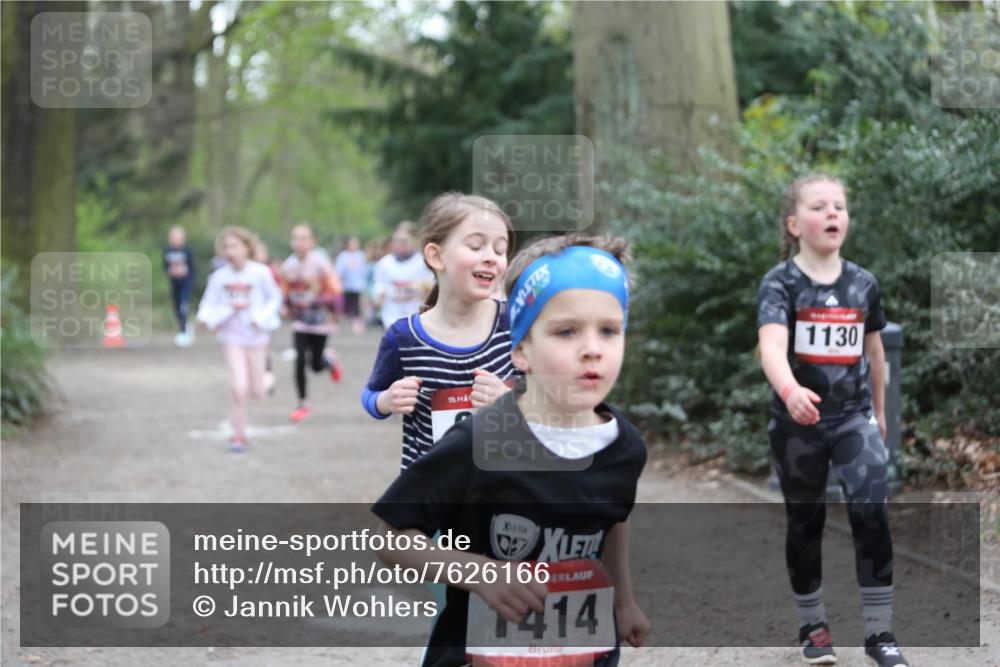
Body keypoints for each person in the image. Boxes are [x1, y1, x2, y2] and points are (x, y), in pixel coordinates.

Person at [372, 234, 649, 667]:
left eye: (609, 330)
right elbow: (391, 539)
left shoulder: (624, 445)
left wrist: (622, 600)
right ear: (521, 350)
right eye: (566, 331)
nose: (592, 348)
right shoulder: (478, 440)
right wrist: (483, 575)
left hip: (584, 651)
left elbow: (614, 518)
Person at [757, 174, 908, 666]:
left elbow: (876, 353)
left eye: (839, 206)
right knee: (805, 521)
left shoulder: (863, 284)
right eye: (819, 207)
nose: (832, 214)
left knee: (871, 511)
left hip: (853, 420)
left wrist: (880, 413)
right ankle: (813, 626)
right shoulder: (781, 283)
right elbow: (772, 346)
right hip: (796, 424)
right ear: (795, 223)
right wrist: (790, 389)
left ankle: (879, 635)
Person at [362, 193, 518, 471]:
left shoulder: (515, 324)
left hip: (502, 487)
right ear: (436, 256)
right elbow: (371, 395)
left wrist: (509, 396)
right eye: (476, 246)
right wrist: (387, 400)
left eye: (500, 249)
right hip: (428, 494)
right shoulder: (404, 338)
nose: (491, 258)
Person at [196, 227, 281, 452]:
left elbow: (275, 298)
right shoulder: (219, 277)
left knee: (257, 391)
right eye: (226, 247)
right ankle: (237, 435)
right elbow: (208, 303)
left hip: (257, 337)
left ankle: (269, 378)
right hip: (232, 338)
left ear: (246, 247)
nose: (230, 251)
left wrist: (259, 318)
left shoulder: (260, 272)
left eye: (234, 246)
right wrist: (204, 319)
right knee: (238, 387)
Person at [280, 223, 344, 423]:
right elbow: (284, 290)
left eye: (304, 238)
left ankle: (328, 360)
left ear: (312, 241)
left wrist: (316, 300)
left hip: (320, 320)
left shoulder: (320, 264)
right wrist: (284, 304)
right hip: (300, 321)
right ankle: (302, 403)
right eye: (295, 238)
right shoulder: (288, 266)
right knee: (299, 360)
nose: (299, 242)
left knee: (315, 365)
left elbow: (335, 291)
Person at [371, 221, 435, 330]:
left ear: (414, 241)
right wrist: (378, 297)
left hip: (417, 321)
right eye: (396, 241)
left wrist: (422, 286)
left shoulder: (423, 263)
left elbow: (435, 287)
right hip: (391, 319)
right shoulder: (384, 263)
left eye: (404, 241)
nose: (400, 244)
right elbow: (378, 286)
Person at [163, 225, 195, 347]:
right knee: (177, 306)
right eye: (174, 236)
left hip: (185, 282)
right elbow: (165, 266)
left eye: (178, 236)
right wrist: (170, 271)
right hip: (174, 283)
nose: (176, 238)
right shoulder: (168, 250)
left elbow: (192, 268)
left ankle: (183, 331)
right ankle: (184, 326)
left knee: (183, 305)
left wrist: (188, 277)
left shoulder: (187, 250)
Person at [335, 236, 369, 334]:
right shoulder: (343, 256)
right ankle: (347, 320)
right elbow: (338, 270)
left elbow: (364, 270)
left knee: (357, 304)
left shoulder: (361, 255)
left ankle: (357, 322)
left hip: (358, 285)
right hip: (346, 285)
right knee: (347, 303)